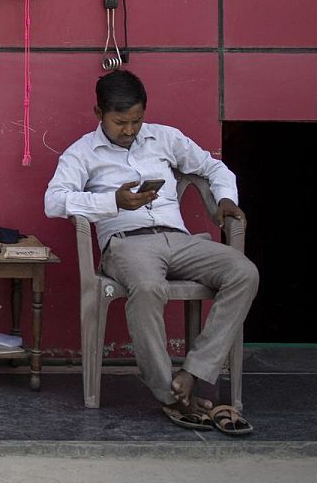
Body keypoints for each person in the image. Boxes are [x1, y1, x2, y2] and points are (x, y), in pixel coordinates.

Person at [44, 70, 257, 435]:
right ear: (99, 113)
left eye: (137, 120)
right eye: (120, 122)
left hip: (179, 239)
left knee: (244, 272)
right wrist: (113, 200)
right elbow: (54, 201)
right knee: (147, 286)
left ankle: (192, 373)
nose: (130, 130)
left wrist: (224, 198)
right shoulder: (82, 152)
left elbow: (213, 167)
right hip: (127, 243)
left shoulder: (165, 138)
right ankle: (169, 393)